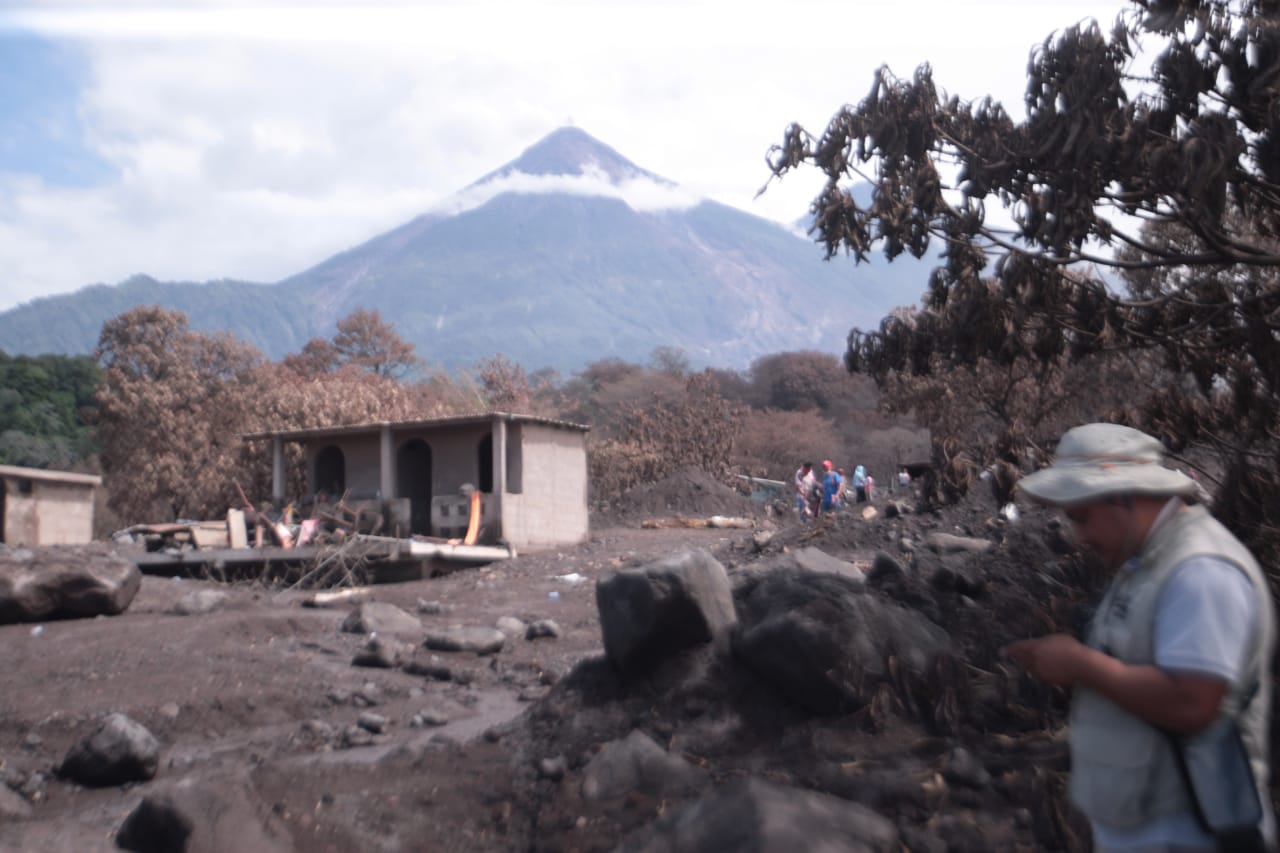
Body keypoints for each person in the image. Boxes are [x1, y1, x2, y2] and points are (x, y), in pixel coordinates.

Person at [1003, 423, 1275, 853]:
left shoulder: (1200, 571)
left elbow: (1193, 702)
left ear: (1125, 496)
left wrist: (1080, 665)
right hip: (1150, 823)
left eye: (1081, 516)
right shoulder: (1148, 562)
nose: (1079, 536)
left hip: (1189, 831)